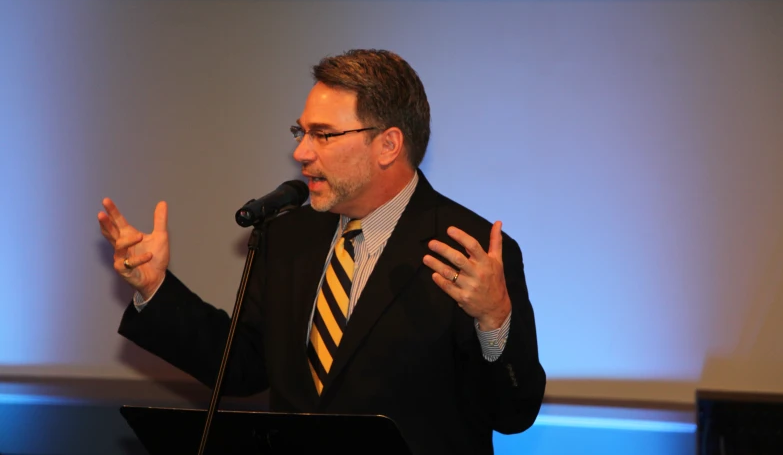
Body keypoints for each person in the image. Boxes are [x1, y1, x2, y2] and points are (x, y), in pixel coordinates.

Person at [98, 49, 545, 455]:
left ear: (388, 145)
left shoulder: (469, 249)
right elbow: (244, 366)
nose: (301, 152)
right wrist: (155, 288)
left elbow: (512, 414)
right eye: (302, 131)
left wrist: (495, 321)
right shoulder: (288, 237)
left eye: (323, 135)